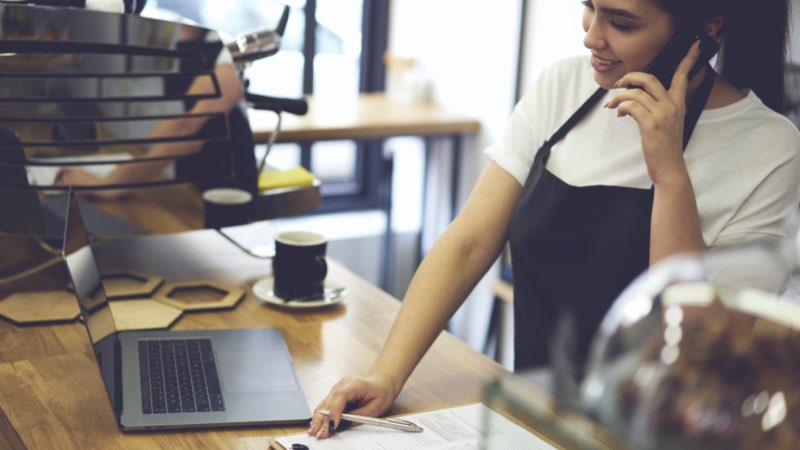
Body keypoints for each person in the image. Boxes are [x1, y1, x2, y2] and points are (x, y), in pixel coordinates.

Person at [308, 0, 800, 439]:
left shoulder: (769, 149)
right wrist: (386, 375)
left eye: (621, 22)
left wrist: (669, 173)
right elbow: (469, 242)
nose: (591, 35)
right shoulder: (563, 86)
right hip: (530, 422)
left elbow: (685, 348)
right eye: (589, 6)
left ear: (701, 33)